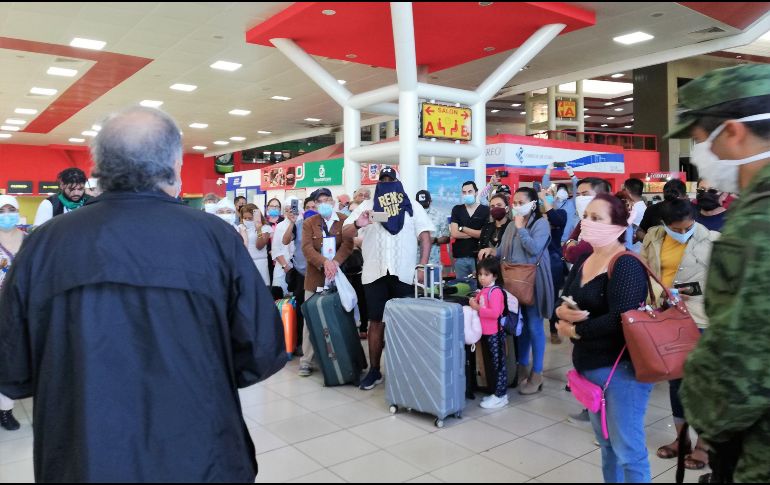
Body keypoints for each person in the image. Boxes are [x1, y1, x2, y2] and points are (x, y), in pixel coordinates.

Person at [0, 106, 286, 482]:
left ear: (98, 167)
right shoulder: (214, 238)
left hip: (83, 457)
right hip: (201, 455)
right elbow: (261, 352)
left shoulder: (44, 246)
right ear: (175, 165)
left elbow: (12, 368)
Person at [668, 63, 770, 483]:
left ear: (732, 131)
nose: (699, 156)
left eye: (697, 140)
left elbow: (746, 359)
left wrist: (708, 422)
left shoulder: (757, 222)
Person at [555, 193, 653, 483]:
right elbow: (566, 295)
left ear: (619, 226)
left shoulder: (625, 264)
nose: (588, 223)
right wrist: (561, 309)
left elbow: (622, 318)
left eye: (597, 218)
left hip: (620, 370)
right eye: (586, 216)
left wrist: (576, 330)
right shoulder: (586, 258)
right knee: (607, 446)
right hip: (590, 368)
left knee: (628, 450)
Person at [640, 198, 718, 471]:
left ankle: (704, 445)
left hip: (702, 321)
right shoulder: (653, 238)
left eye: (688, 227)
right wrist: (665, 293)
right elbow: (646, 273)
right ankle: (682, 439)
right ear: (664, 224)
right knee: (676, 382)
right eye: (677, 228)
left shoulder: (714, 240)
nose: (682, 232)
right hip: (667, 316)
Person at [343, 166, 433, 391]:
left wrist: (421, 263)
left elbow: (425, 236)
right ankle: (375, 370)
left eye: (390, 180)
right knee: (375, 322)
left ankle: (405, 369)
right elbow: (344, 232)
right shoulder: (367, 206)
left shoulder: (411, 205)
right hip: (375, 272)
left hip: (402, 272)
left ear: (398, 182)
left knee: (404, 322)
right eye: (382, 180)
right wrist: (357, 224)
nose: (386, 183)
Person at [480, 187, 553, 395]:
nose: (517, 206)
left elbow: (534, 249)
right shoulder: (511, 225)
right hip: (513, 283)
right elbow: (502, 251)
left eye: (522, 202)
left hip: (534, 282)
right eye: (515, 202)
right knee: (520, 325)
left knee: (535, 326)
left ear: (533, 204)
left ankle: (537, 374)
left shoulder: (541, 224)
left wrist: (521, 228)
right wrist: (491, 251)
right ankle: (522, 367)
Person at [298, 188, 356, 377]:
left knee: (339, 316)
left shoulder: (343, 220)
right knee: (309, 319)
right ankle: (306, 360)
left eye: (328, 199)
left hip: (338, 276)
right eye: (320, 200)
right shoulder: (309, 223)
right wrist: (325, 263)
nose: (325, 203)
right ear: (314, 204)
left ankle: (339, 357)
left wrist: (335, 263)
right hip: (315, 277)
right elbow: (307, 248)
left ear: (333, 201)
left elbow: (348, 245)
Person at [468, 256, 508, 409]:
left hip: (495, 334)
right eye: (480, 274)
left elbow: (495, 313)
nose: (482, 278)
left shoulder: (496, 292)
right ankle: (496, 392)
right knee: (491, 364)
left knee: (498, 365)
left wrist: (477, 308)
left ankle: (501, 395)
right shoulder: (484, 290)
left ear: (495, 275)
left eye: (486, 275)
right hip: (486, 333)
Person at [0, 195, 24, 431]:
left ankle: (5, 411)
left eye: (11, 210)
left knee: (11, 360)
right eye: (2, 210)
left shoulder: (30, 239)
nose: (7, 214)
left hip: (18, 307)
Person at [281, 196, 315, 353]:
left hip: (319, 273)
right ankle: (301, 343)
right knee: (302, 310)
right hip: (301, 273)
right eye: (308, 207)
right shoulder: (298, 224)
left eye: (314, 207)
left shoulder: (324, 224)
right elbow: (285, 241)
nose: (311, 210)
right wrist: (293, 222)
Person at [539, 188, 568, 345]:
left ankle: (554, 329)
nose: (545, 199)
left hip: (553, 259)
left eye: (549, 196)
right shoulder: (536, 215)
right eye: (543, 197)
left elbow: (557, 221)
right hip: (536, 259)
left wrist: (546, 202)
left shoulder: (561, 213)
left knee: (554, 298)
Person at [562, 177, 612, 264]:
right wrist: (571, 243)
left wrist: (571, 244)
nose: (580, 199)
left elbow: (574, 256)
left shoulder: (606, 223)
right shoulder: (584, 220)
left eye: (585, 195)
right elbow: (565, 251)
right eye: (578, 195)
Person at [450, 181, 490, 287]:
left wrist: (463, 228)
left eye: (470, 191)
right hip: (460, 257)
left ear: (476, 192)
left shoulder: (485, 210)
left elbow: (484, 234)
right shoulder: (457, 209)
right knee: (461, 288)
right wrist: (475, 233)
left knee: (480, 287)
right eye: (464, 192)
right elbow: (454, 233)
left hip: (479, 257)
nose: (467, 194)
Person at [344, 201, 369, 339]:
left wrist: (354, 241)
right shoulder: (346, 223)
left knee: (362, 299)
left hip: (361, 267)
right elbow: (345, 238)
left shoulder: (367, 223)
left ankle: (364, 326)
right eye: (351, 210)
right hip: (345, 266)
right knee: (347, 299)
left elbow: (363, 242)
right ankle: (350, 326)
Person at [415, 189, 450, 278]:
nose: (422, 207)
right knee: (415, 290)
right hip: (414, 263)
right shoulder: (410, 216)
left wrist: (434, 239)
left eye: (425, 204)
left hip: (433, 262)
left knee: (434, 290)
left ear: (430, 201)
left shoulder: (440, 215)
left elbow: (447, 238)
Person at [544, 163, 580, 242]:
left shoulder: (572, 203)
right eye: (560, 189)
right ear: (556, 192)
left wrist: (572, 175)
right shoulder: (551, 203)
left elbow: (577, 188)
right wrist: (548, 172)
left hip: (568, 240)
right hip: (554, 240)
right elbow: (544, 190)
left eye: (564, 189)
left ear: (567, 193)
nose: (562, 191)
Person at [271, 197, 299, 297]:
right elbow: (276, 249)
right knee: (280, 298)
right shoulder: (280, 226)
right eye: (287, 210)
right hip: (282, 268)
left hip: (299, 268)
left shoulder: (302, 223)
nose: (290, 212)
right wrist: (285, 266)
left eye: (292, 209)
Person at [240, 203, 272, 286]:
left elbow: (259, 246)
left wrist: (258, 230)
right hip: (245, 263)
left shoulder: (265, 228)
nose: (247, 220)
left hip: (260, 263)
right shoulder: (241, 228)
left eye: (250, 218)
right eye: (245, 218)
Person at [623, 178, 647, 252]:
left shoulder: (634, 210)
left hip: (635, 250)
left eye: (624, 189)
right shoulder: (643, 207)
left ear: (627, 191)